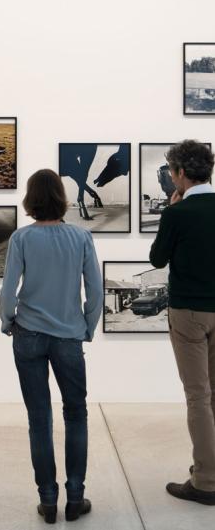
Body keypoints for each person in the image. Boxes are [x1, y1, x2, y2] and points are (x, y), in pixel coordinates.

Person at [0, 169, 103, 523]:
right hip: (69, 336)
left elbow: (8, 291)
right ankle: (75, 497)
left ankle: (47, 500)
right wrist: (86, 327)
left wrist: (7, 320)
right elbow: (96, 292)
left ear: (30, 199)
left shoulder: (21, 238)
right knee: (76, 414)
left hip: (27, 334)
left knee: (38, 418)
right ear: (61, 196)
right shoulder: (81, 238)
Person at [149, 139, 215, 506]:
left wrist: (169, 214)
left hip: (189, 312)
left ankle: (206, 481)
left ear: (180, 175)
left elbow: (158, 260)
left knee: (198, 396)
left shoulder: (178, 213)